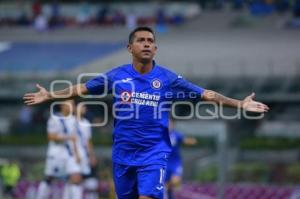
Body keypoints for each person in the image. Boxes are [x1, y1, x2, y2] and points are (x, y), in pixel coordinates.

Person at [23, 26, 269, 199]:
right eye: (141, 40)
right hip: (123, 153)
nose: (147, 44)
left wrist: (239, 104)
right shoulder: (117, 75)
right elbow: (80, 89)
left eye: (151, 41)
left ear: (156, 48)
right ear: (130, 47)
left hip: (153, 153)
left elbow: (207, 95)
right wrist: (49, 95)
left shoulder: (167, 78)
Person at [36, 100, 83, 199]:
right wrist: (67, 137)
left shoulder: (73, 120)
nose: (73, 106)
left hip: (69, 153)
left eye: (73, 104)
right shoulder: (54, 118)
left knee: (76, 177)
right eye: (70, 104)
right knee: (49, 177)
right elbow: (51, 137)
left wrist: (77, 154)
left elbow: (74, 138)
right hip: (56, 153)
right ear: (63, 106)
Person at [165, 119, 197, 199]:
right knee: (166, 188)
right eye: (167, 123)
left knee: (175, 182)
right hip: (164, 163)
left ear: (173, 125)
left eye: (170, 124)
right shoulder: (161, 135)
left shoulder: (176, 134)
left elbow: (185, 140)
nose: (169, 125)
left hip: (175, 163)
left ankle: (169, 187)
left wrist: (191, 141)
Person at [75, 103, 98, 199]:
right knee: (74, 180)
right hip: (73, 155)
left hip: (84, 154)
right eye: (82, 106)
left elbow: (88, 141)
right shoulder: (70, 122)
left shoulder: (86, 123)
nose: (85, 108)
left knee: (90, 179)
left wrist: (92, 156)